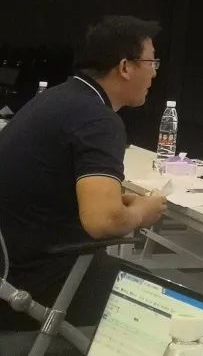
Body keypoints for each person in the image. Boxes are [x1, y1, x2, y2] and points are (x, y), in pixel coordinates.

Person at [0, 16, 168, 331]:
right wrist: (142, 212)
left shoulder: (56, 99)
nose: (155, 72)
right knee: (164, 305)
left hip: (12, 266)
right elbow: (103, 222)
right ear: (125, 67)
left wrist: (114, 201)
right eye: (151, 62)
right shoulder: (97, 120)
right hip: (32, 280)